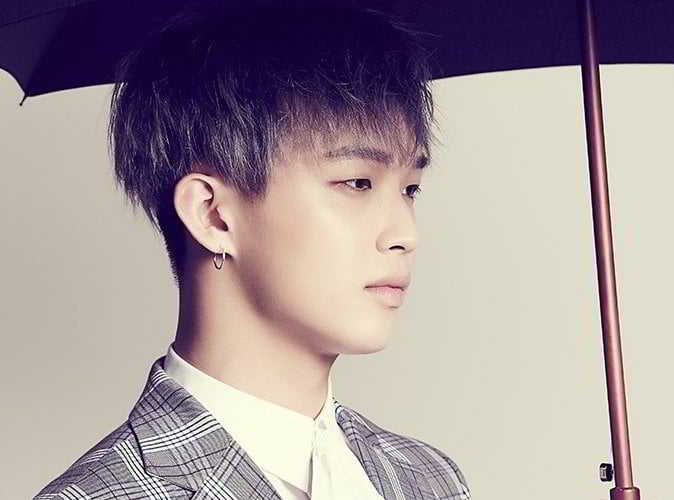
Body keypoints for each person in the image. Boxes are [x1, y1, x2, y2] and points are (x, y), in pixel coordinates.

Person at [32, 1, 470, 499]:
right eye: (357, 182)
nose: (405, 234)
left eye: (410, 189)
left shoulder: (428, 477)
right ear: (213, 214)